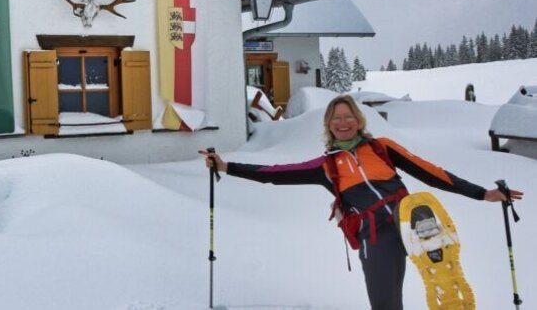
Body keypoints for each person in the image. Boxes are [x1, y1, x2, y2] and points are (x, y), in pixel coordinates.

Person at [200, 94, 524, 310]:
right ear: (328, 125)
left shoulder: (382, 147)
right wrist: (227, 166)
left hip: (408, 219)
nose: (343, 122)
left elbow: (430, 172)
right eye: (336, 118)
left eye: (348, 116)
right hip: (373, 232)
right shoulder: (325, 166)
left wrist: (482, 193)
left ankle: (450, 292)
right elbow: (274, 173)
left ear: (358, 120)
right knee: (384, 302)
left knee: (442, 275)